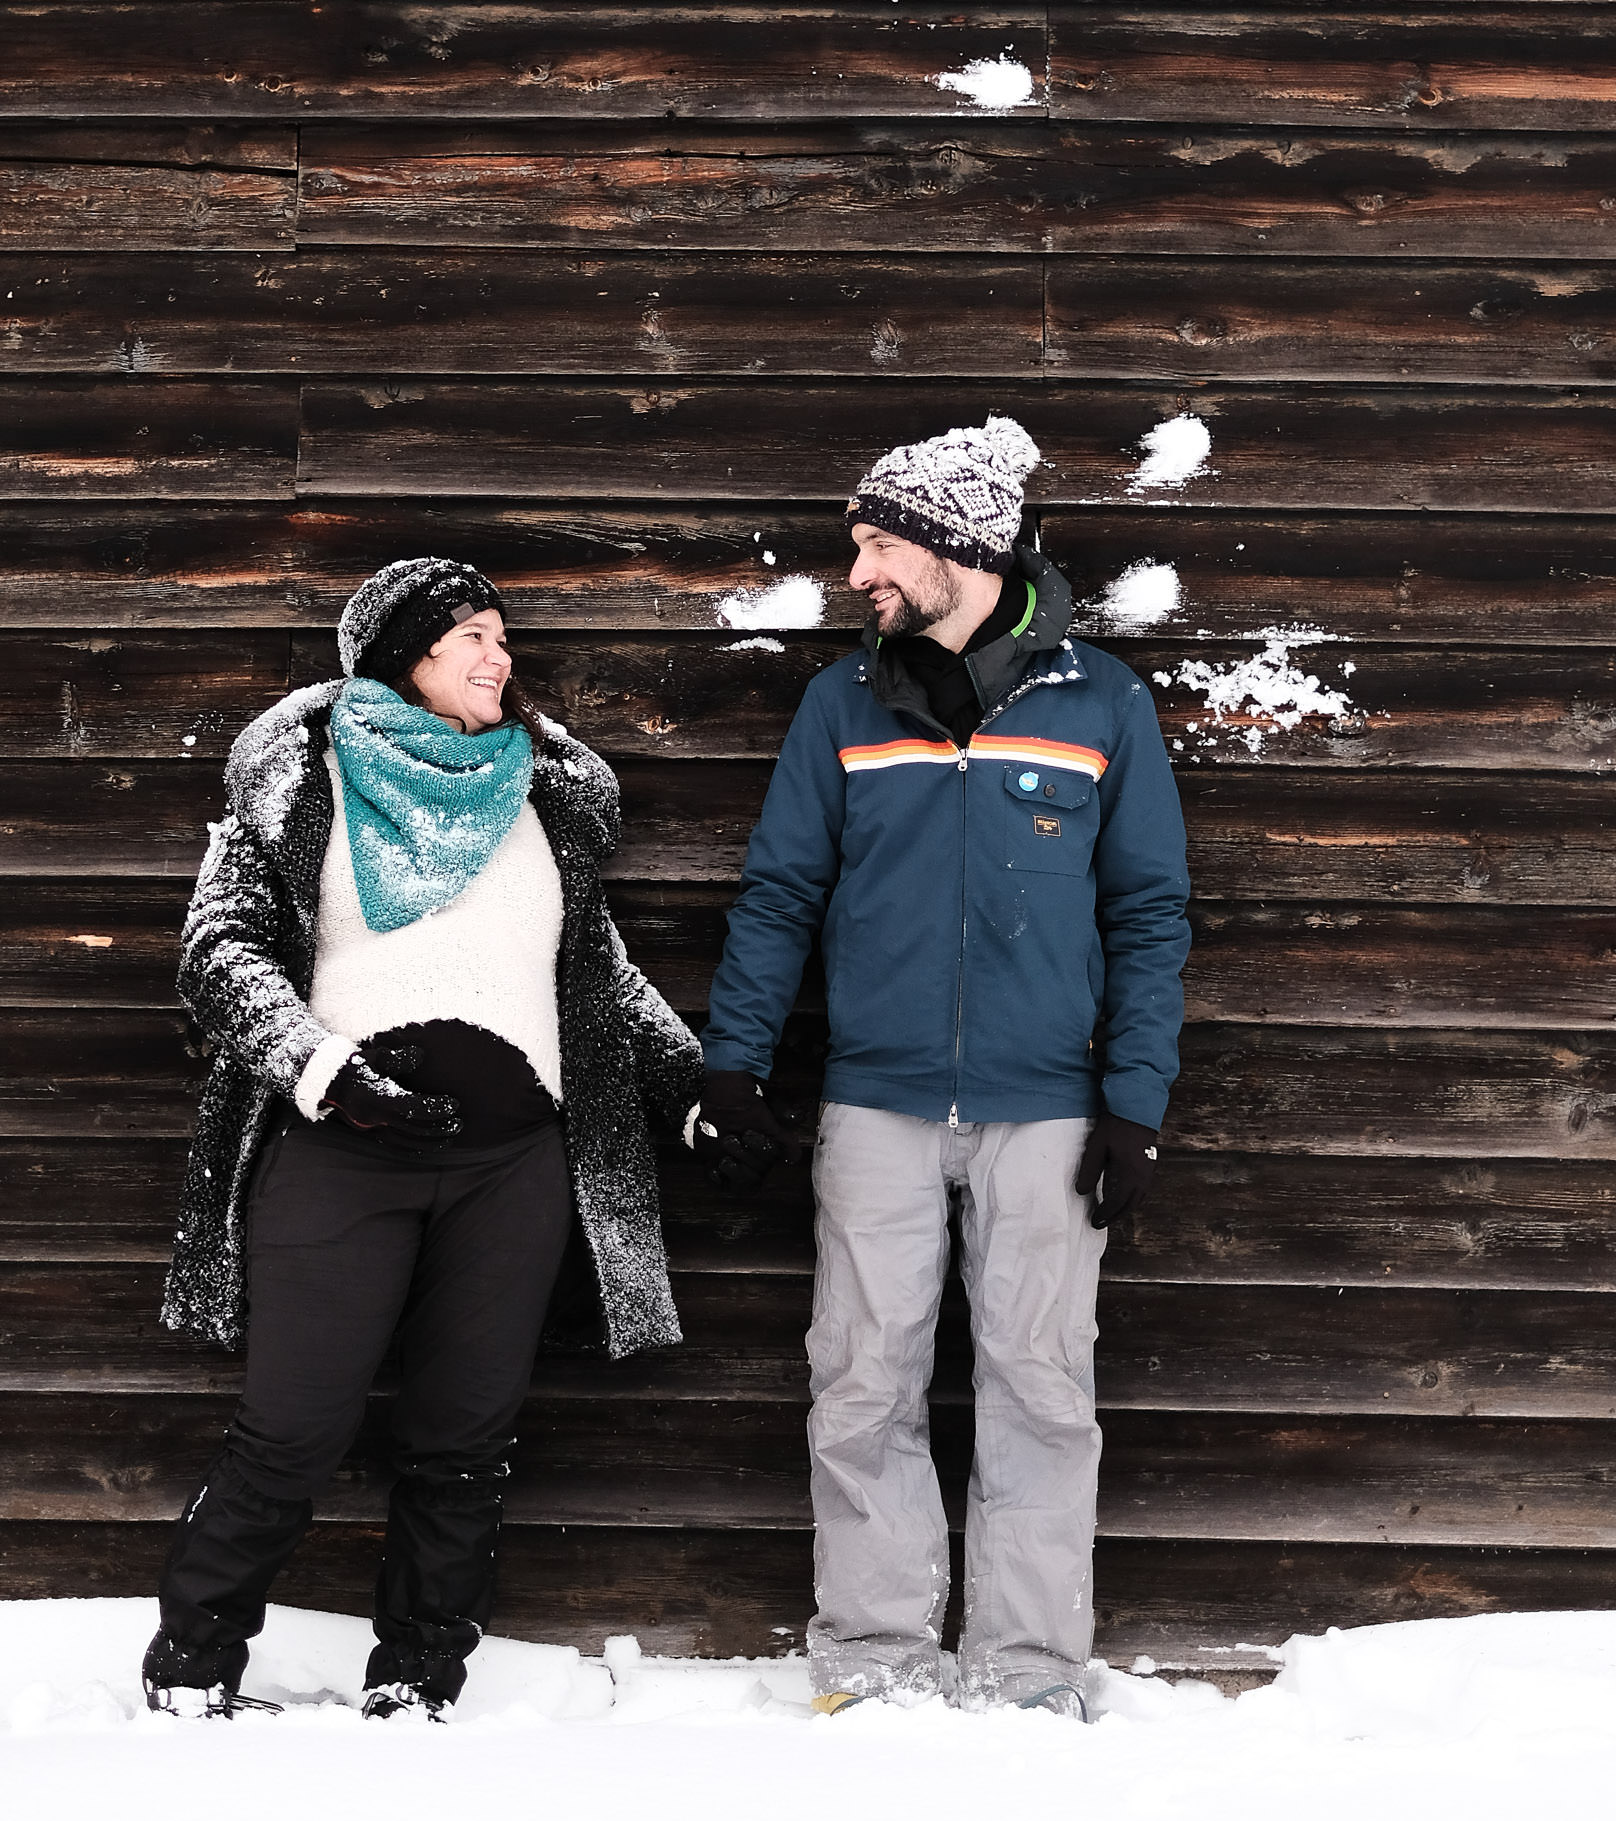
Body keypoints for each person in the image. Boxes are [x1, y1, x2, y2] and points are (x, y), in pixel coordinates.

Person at [688, 421, 1190, 1718]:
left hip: (1047, 1117)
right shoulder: (842, 706)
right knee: (861, 1381)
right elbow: (779, 895)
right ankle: (875, 1660)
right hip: (876, 1107)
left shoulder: (1101, 704)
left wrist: (1133, 1103)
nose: (859, 570)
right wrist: (733, 1066)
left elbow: (1147, 914)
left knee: (1040, 1387)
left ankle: (1026, 1673)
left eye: (878, 542)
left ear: (960, 546)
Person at [148, 556, 700, 1718]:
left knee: (464, 1440)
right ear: (407, 653)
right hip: (344, 1157)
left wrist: (696, 1086)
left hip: (510, 1169)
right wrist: (327, 1074)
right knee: (292, 1430)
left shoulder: (542, 793)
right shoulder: (301, 782)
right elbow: (219, 953)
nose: (501, 656)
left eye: (505, 637)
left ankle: (419, 1681)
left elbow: (591, 971)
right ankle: (191, 1671)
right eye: (475, 637)